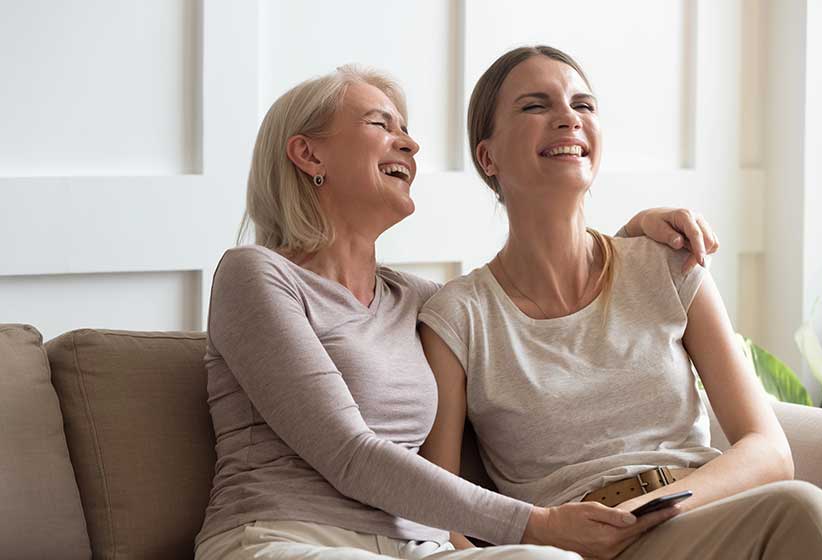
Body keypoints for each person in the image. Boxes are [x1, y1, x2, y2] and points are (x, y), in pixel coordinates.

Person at [194, 64, 721, 560]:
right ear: (309, 156)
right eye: (381, 123)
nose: (411, 142)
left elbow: (526, 288)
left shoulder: (422, 303)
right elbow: (349, 453)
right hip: (286, 536)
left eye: (406, 128)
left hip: (413, 549)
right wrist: (536, 524)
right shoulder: (255, 276)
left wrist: (634, 235)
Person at [417, 46, 822, 560]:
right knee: (803, 512)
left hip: (702, 514)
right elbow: (439, 506)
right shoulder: (458, 318)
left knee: (799, 508)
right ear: (488, 157)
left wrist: (651, 510)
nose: (568, 118)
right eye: (535, 106)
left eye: (583, 105)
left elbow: (769, 450)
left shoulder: (667, 266)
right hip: (575, 546)